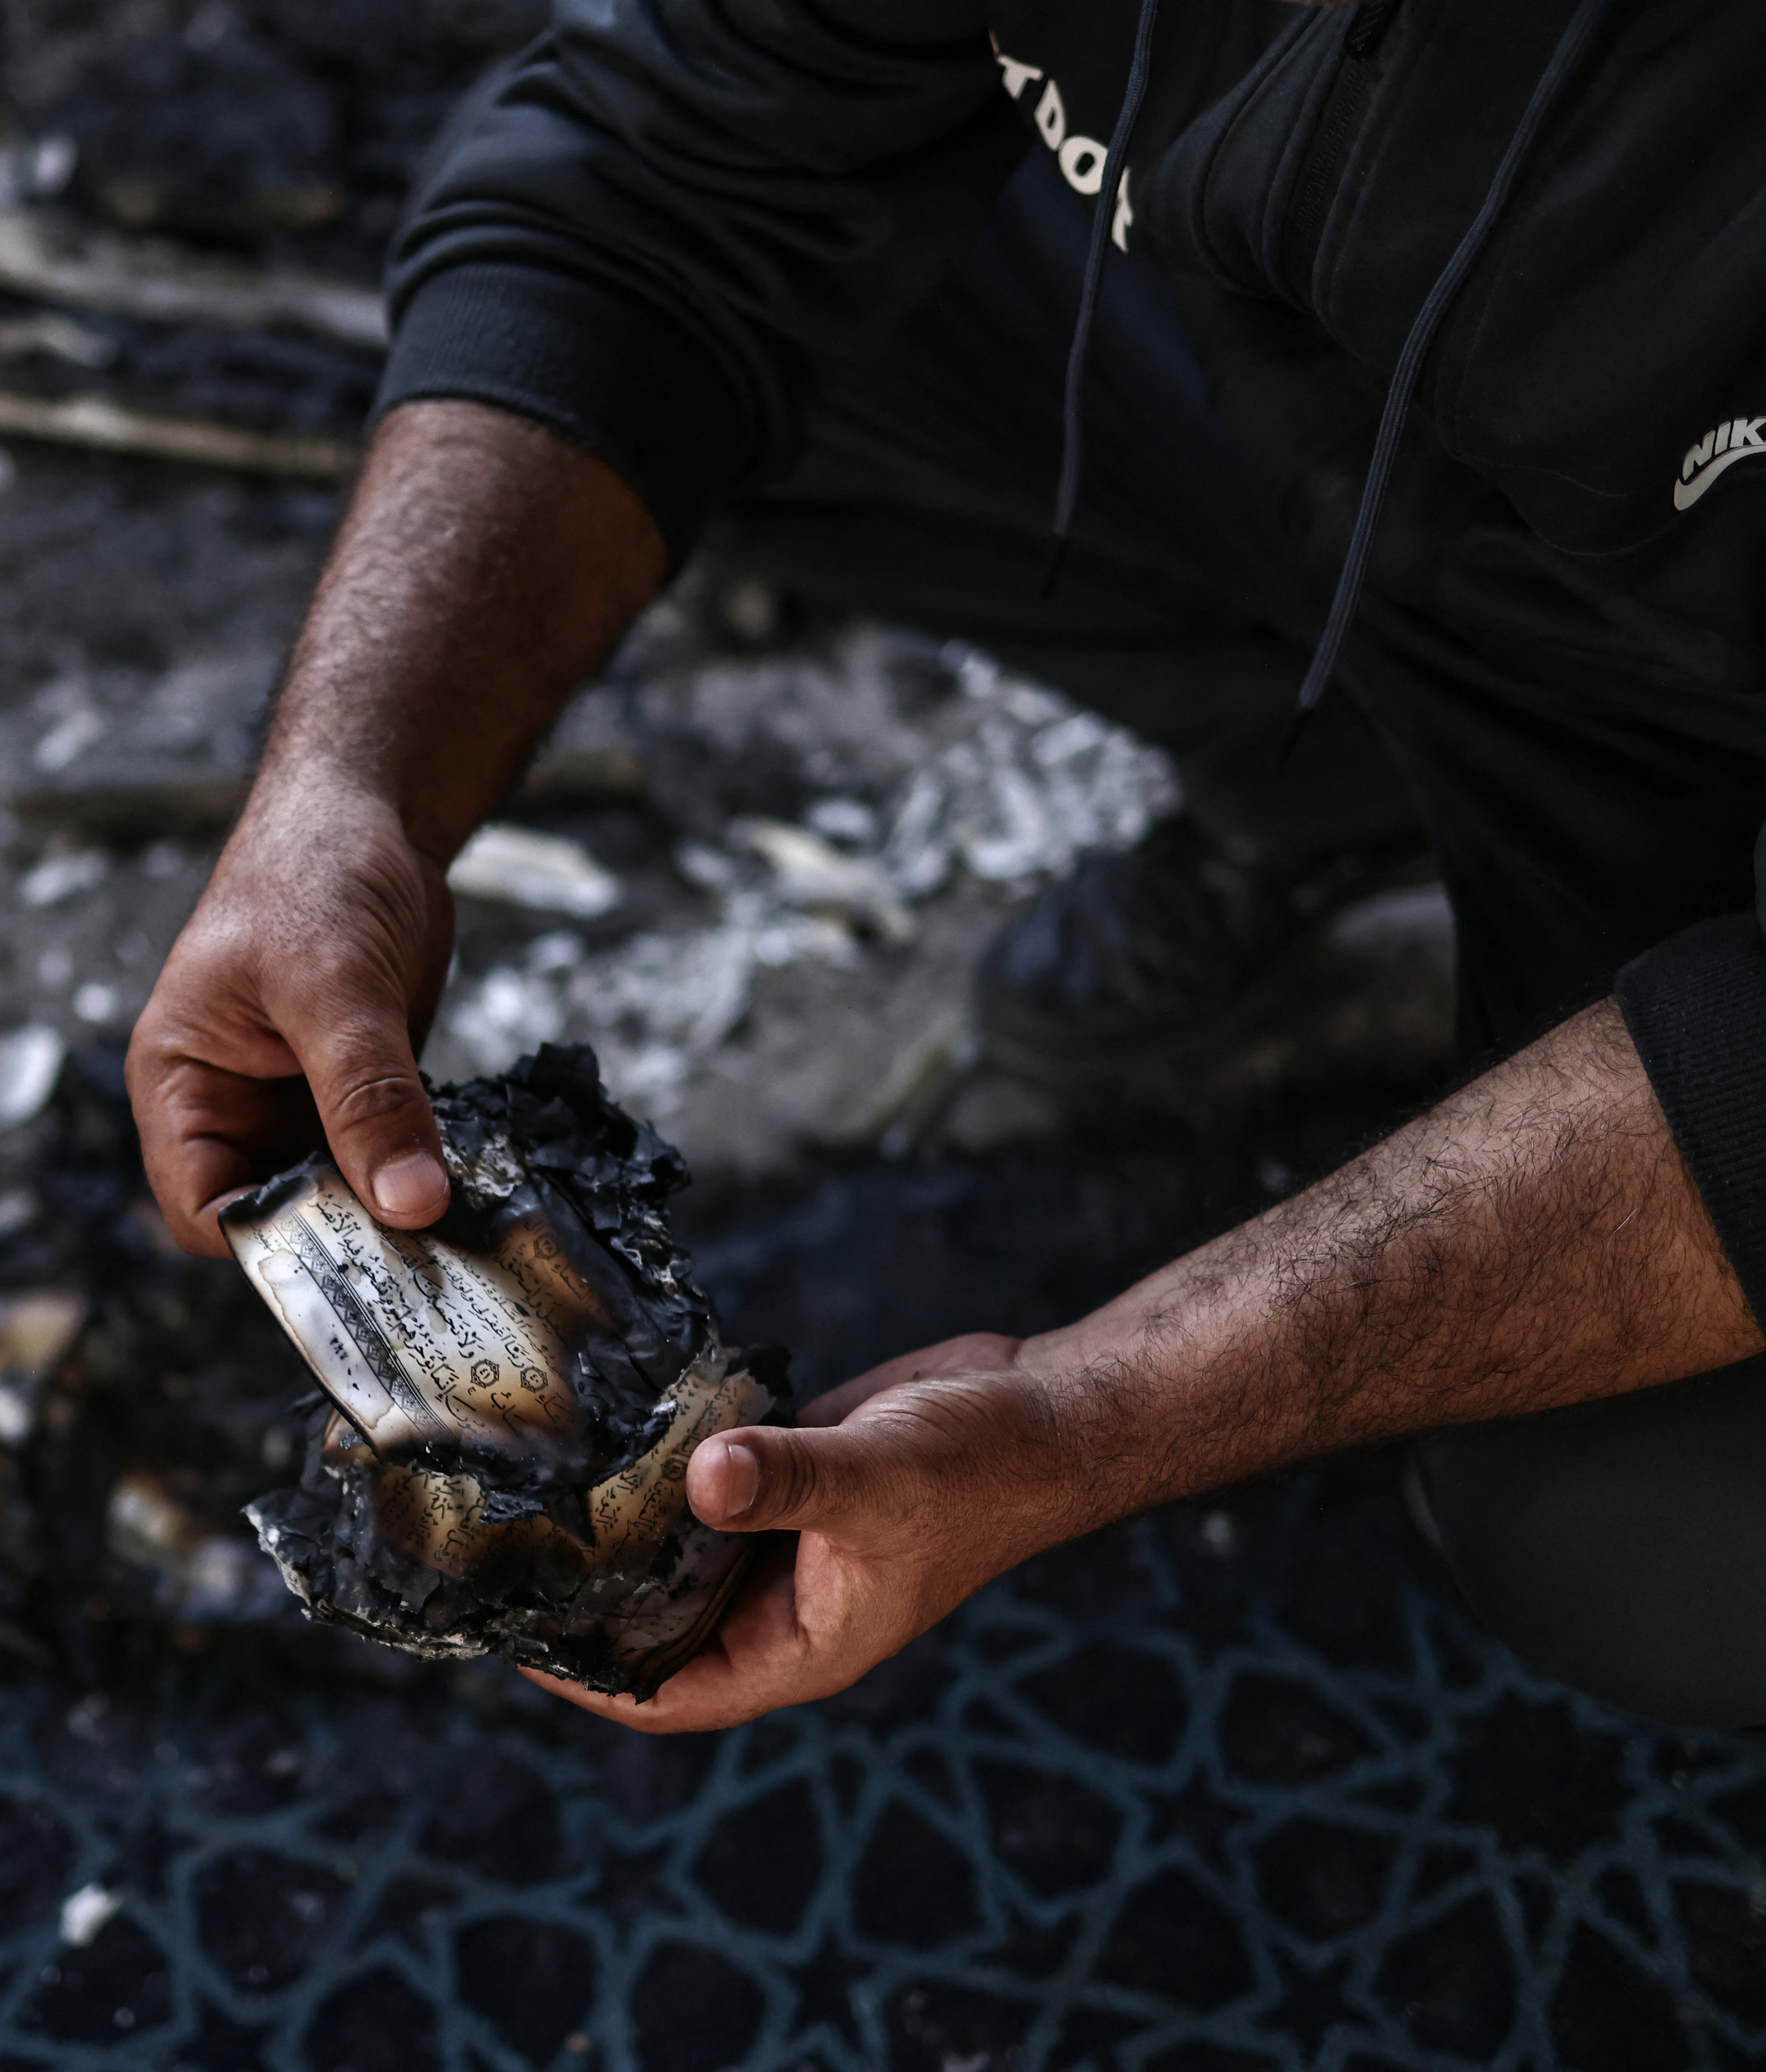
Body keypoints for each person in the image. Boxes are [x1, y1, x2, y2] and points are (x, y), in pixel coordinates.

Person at [124, 0, 1766, 1729]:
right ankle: (1340, 785)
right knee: (790, 306)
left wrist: (1090, 1415)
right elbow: (646, 181)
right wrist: (343, 795)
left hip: (1701, 724)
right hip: (1399, 450)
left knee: (1650, 1544)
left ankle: (1552, 914)